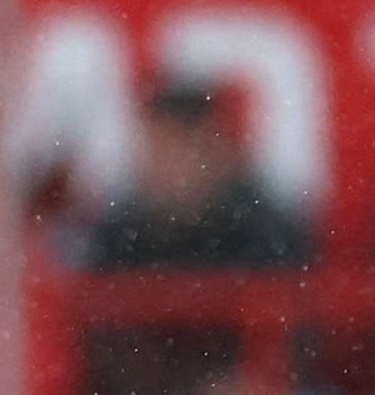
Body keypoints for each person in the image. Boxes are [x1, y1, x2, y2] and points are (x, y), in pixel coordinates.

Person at [81, 80, 313, 395]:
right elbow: (102, 340)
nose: (162, 163)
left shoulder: (264, 228)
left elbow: (297, 338)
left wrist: (239, 380)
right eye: (154, 147)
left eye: (176, 145)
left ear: (211, 144)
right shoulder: (121, 232)